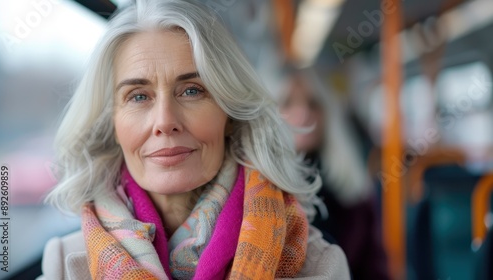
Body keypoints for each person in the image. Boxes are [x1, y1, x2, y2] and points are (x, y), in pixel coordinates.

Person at [38, 1, 350, 279]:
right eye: (138, 96)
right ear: (112, 124)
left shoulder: (319, 265)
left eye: (191, 91)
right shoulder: (63, 266)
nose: (165, 122)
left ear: (229, 115)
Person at [279, 67, 391, 280]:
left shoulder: (353, 188)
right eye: (288, 103)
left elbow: (375, 267)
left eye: (313, 104)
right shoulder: (258, 190)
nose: (302, 114)